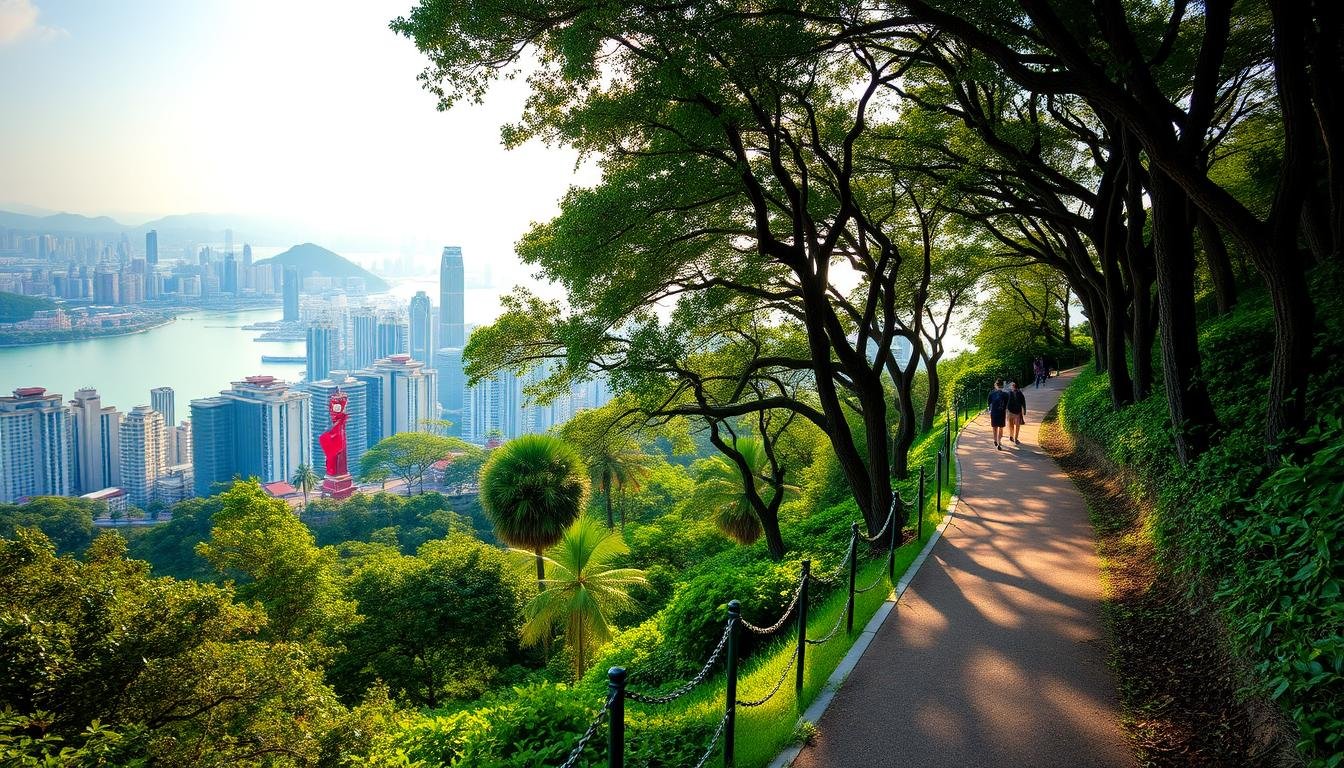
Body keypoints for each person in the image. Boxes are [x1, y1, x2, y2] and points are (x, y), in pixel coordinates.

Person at [987, 379, 1010, 450]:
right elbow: (1007, 405)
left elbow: (988, 403)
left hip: (994, 412)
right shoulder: (1006, 394)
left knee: (995, 427)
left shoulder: (992, 393)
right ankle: (999, 441)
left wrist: (989, 410)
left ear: (996, 385)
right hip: (1001, 413)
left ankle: (995, 441)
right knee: (1000, 427)